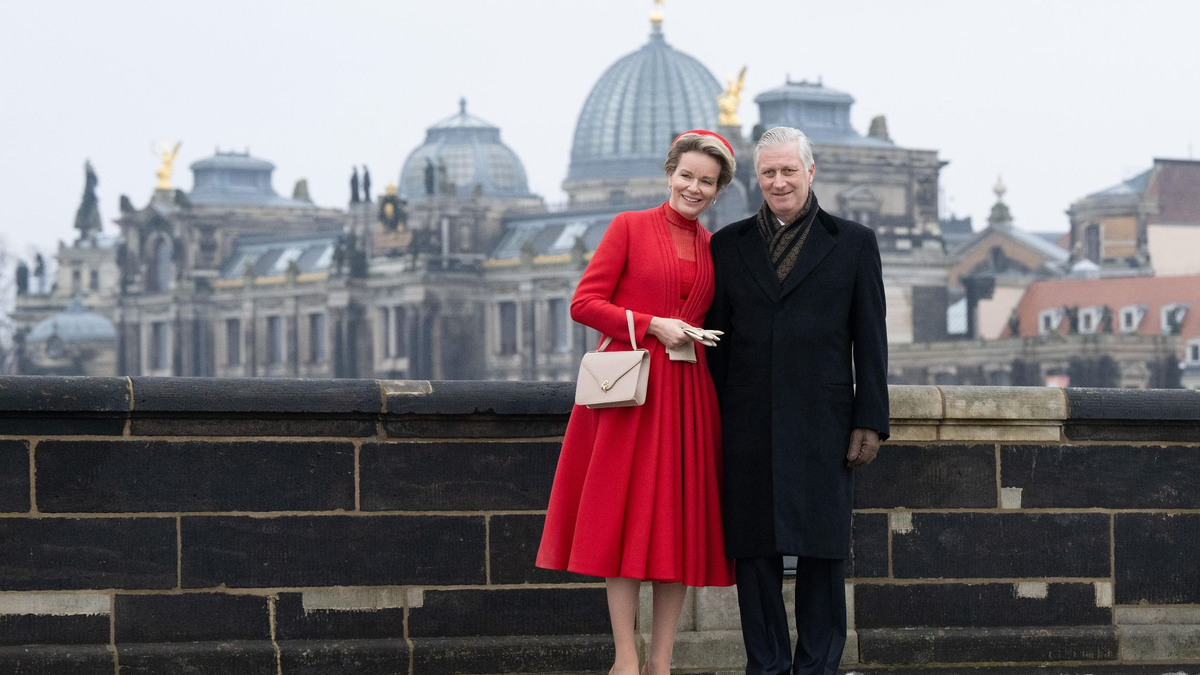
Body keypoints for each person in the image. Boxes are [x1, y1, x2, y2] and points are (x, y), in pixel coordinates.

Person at [538, 130, 739, 675]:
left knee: (679, 526)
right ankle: (625, 657)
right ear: (669, 171)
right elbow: (584, 303)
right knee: (624, 521)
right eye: (687, 176)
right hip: (630, 395)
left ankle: (662, 662)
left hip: (689, 396)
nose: (694, 188)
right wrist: (651, 324)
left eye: (707, 182)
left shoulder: (712, 246)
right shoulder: (628, 225)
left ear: (718, 191)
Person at [707, 126, 889, 675]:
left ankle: (818, 668)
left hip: (824, 420)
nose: (779, 181)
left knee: (822, 553)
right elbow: (717, 343)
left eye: (789, 170)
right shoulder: (727, 245)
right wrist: (712, 419)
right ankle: (766, 666)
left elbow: (871, 339)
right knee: (754, 554)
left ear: (811, 173)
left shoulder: (854, 242)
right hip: (747, 419)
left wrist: (871, 420)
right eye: (769, 172)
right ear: (755, 178)